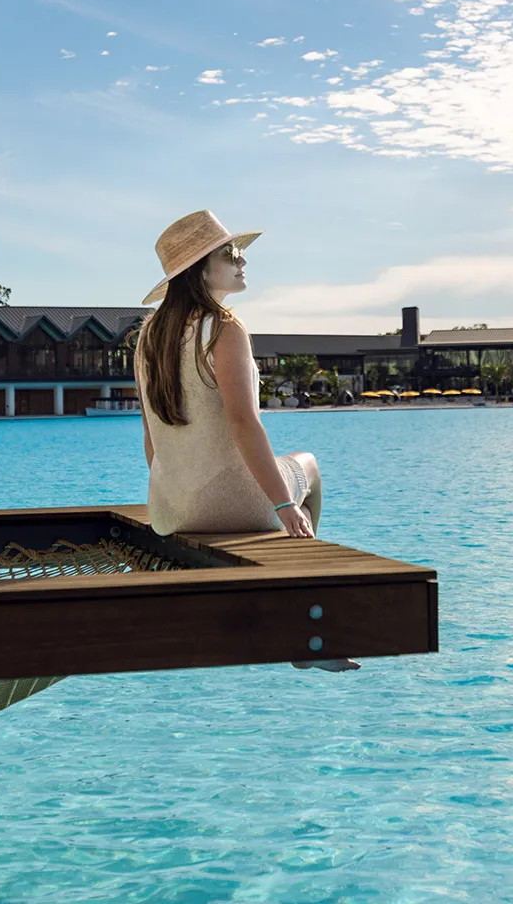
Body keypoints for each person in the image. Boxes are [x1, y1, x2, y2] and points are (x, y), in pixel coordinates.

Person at [135, 210, 355, 672]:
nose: (242, 261)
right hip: (234, 505)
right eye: (229, 254)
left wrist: (174, 492)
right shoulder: (227, 329)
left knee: (276, 469)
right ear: (200, 270)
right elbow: (243, 424)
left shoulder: (148, 337)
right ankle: (309, 625)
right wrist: (282, 505)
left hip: (170, 509)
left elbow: (150, 435)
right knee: (308, 466)